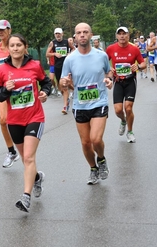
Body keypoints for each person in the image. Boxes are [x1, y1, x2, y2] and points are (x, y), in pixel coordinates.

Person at [0, 33, 51, 212]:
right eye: (12, 45)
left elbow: (46, 82)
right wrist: (5, 91)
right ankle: (37, 178)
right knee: (25, 159)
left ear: (25, 47)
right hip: (14, 121)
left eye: (19, 45)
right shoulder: (2, 70)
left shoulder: (35, 65)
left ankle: (25, 197)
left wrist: (45, 92)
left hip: (35, 118)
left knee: (29, 157)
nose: (15, 48)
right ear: (8, 49)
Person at [60, 22, 113, 185]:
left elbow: (109, 71)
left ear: (91, 35)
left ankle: (102, 160)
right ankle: (93, 168)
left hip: (99, 102)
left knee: (96, 139)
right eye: (78, 33)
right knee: (85, 142)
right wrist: (64, 82)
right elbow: (63, 80)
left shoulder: (101, 55)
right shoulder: (69, 59)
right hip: (80, 105)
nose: (82, 35)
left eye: (85, 32)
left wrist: (109, 80)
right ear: (75, 37)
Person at [106, 27, 146, 143]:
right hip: (118, 82)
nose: (122, 36)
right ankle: (123, 121)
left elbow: (143, 63)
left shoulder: (134, 49)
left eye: (124, 34)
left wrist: (138, 66)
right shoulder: (111, 49)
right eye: (120, 34)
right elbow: (103, 62)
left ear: (128, 36)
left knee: (128, 108)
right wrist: (109, 68)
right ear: (117, 36)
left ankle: (130, 131)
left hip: (130, 81)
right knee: (118, 110)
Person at [0, 20, 20, 168]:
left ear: (9, 30)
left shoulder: (16, 45)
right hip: (2, 87)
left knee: (19, 119)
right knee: (3, 120)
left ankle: (23, 144)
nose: (0, 32)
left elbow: (25, 62)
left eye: (3, 30)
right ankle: (11, 151)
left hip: (18, 87)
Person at [46, 27, 75, 114]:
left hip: (67, 66)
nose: (58, 35)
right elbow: (47, 54)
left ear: (62, 34)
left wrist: (70, 53)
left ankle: (68, 102)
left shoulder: (67, 42)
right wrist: (54, 53)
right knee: (62, 86)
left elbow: (74, 49)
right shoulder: (52, 43)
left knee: (68, 84)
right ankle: (67, 102)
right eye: (56, 34)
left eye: (59, 33)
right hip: (57, 67)